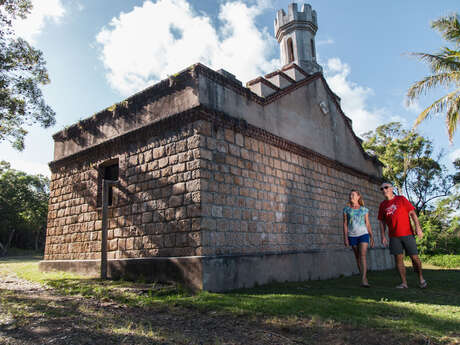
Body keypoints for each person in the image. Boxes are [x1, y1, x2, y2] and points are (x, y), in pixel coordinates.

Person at [378, 182, 427, 289]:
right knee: (399, 259)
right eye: (381, 189)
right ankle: (404, 283)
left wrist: (418, 228)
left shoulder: (401, 199)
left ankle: (421, 278)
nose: (384, 190)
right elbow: (382, 222)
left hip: (407, 234)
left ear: (391, 188)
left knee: (414, 258)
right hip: (394, 236)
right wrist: (382, 236)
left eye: (386, 187)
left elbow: (413, 214)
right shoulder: (382, 205)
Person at [343, 190, 374, 287]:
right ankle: (363, 277)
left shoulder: (364, 210)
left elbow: (367, 224)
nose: (351, 196)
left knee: (363, 255)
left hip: (363, 234)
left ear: (358, 197)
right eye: (350, 195)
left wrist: (371, 236)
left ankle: (364, 279)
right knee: (357, 256)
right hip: (352, 235)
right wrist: (345, 238)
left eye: (353, 195)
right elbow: (345, 224)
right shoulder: (346, 210)